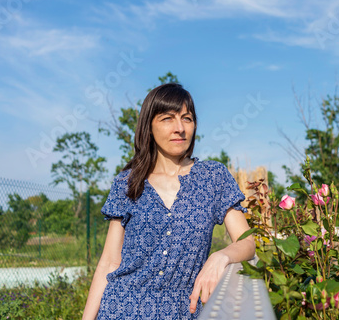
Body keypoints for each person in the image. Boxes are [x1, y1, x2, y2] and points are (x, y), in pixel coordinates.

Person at [82, 83, 255, 319]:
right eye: (167, 119)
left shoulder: (213, 177)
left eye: (187, 118)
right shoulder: (128, 182)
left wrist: (220, 257)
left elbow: (247, 242)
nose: (179, 128)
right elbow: (110, 262)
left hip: (185, 310)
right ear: (149, 127)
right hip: (122, 308)